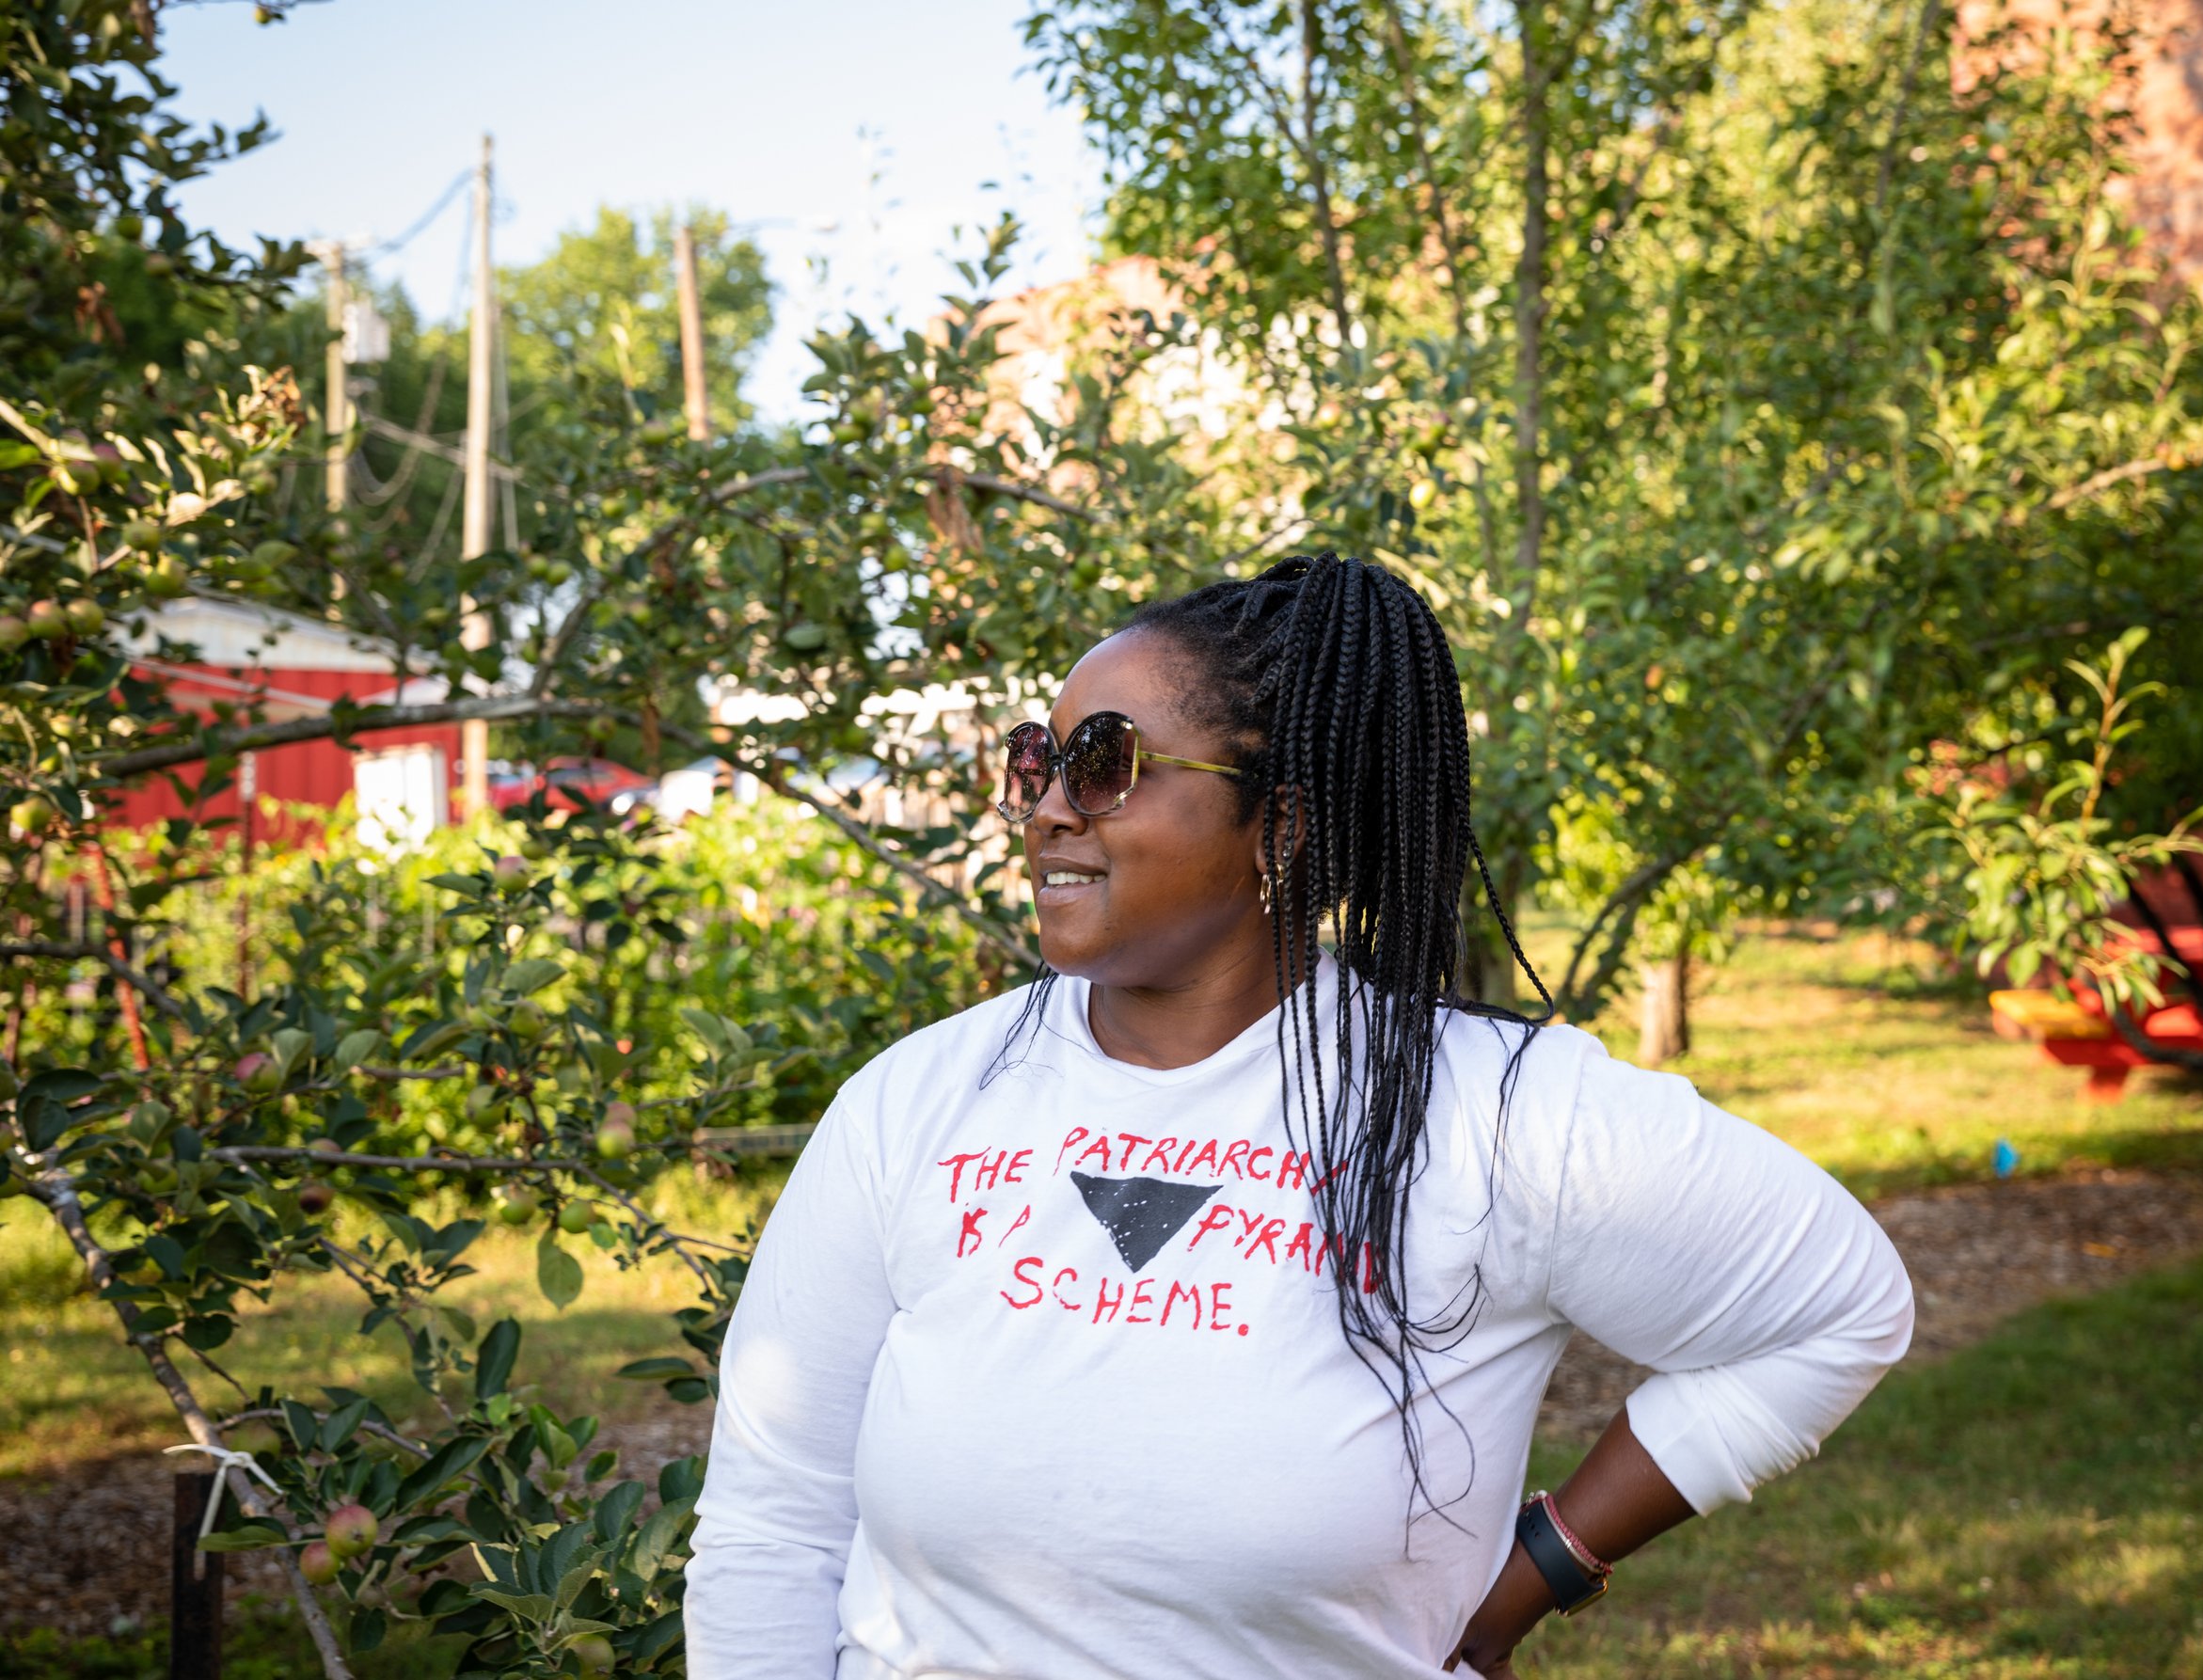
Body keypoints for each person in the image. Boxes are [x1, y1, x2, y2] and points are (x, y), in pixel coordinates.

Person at [686, 554, 1913, 1679]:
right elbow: (773, 1515)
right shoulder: (916, 1103)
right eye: (1037, 759)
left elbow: (1837, 1306)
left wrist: (1542, 1567)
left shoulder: (1493, 1116)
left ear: (1278, 823)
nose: (1049, 807)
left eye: (1104, 760)